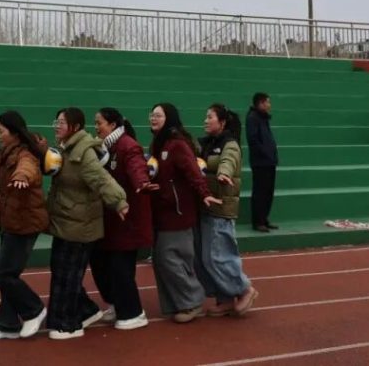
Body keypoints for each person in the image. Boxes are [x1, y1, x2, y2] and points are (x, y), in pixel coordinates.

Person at [45, 107, 129, 340]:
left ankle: (70, 324)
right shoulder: (64, 148)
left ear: (75, 127)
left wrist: (119, 201)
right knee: (60, 270)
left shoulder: (84, 151)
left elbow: (101, 179)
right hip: (65, 220)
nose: (57, 126)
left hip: (81, 224)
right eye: (56, 122)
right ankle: (84, 311)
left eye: (62, 123)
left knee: (69, 275)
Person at [0, 111, 50, 340]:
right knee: (9, 274)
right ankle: (7, 324)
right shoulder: (5, 151)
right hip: (10, 220)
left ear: (14, 132)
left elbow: (28, 167)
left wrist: (22, 177)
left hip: (24, 223)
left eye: (1, 131)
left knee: (2, 273)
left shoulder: (25, 153)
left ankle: (34, 310)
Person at [147, 103, 221, 324]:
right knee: (162, 259)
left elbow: (193, 171)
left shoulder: (177, 145)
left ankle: (192, 301)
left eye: (158, 115)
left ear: (169, 118)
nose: (153, 118)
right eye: (152, 115)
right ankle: (176, 303)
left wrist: (204, 193)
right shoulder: (158, 144)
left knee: (169, 258)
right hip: (162, 211)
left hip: (178, 213)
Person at [90, 107, 156, 331]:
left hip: (128, 219)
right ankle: (117, 304)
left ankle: (134, 312)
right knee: (100, 263)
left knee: (121, 269)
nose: (96, 127)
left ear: (112, 125)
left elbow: (137, 167)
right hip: (110, 220)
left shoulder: (128, 146)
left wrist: (142, 183)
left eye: (99, 123)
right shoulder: (103, 147)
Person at [196, 104, 259, 317]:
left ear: (222, 122)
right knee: (204, 258)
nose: (205, 120)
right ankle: (225, 298)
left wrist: (224, 173)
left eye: (210, 117)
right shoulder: (206, 143)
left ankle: (244, 288)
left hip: (221, 208)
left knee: (218, 256)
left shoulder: (229, 144)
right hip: (206, 206)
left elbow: (228, 161)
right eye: (206, 116)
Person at [245, 92, 279, 233]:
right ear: (260, 103)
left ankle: (264, 219)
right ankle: (258, 221)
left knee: (268, 192)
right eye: (267, 102)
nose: (269, 105)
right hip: (260, 162)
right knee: (260, 192)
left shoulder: (263, 118)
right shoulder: (252, 118)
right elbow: (253, 140)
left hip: (269, 161)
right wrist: (266, 153)